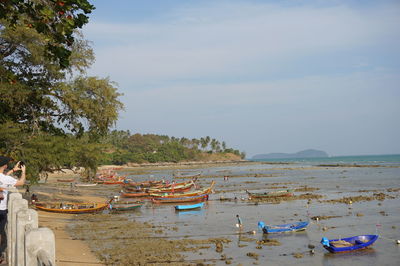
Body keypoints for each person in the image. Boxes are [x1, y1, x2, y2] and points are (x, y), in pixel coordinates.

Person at [0, 156, 26, 264]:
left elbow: (3, 177)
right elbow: (21, 183)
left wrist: (13, 170)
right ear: (5, 165)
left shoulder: (3, 177)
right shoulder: (4, 178)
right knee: (0, 233)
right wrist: (23, 172)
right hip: (1, 209)